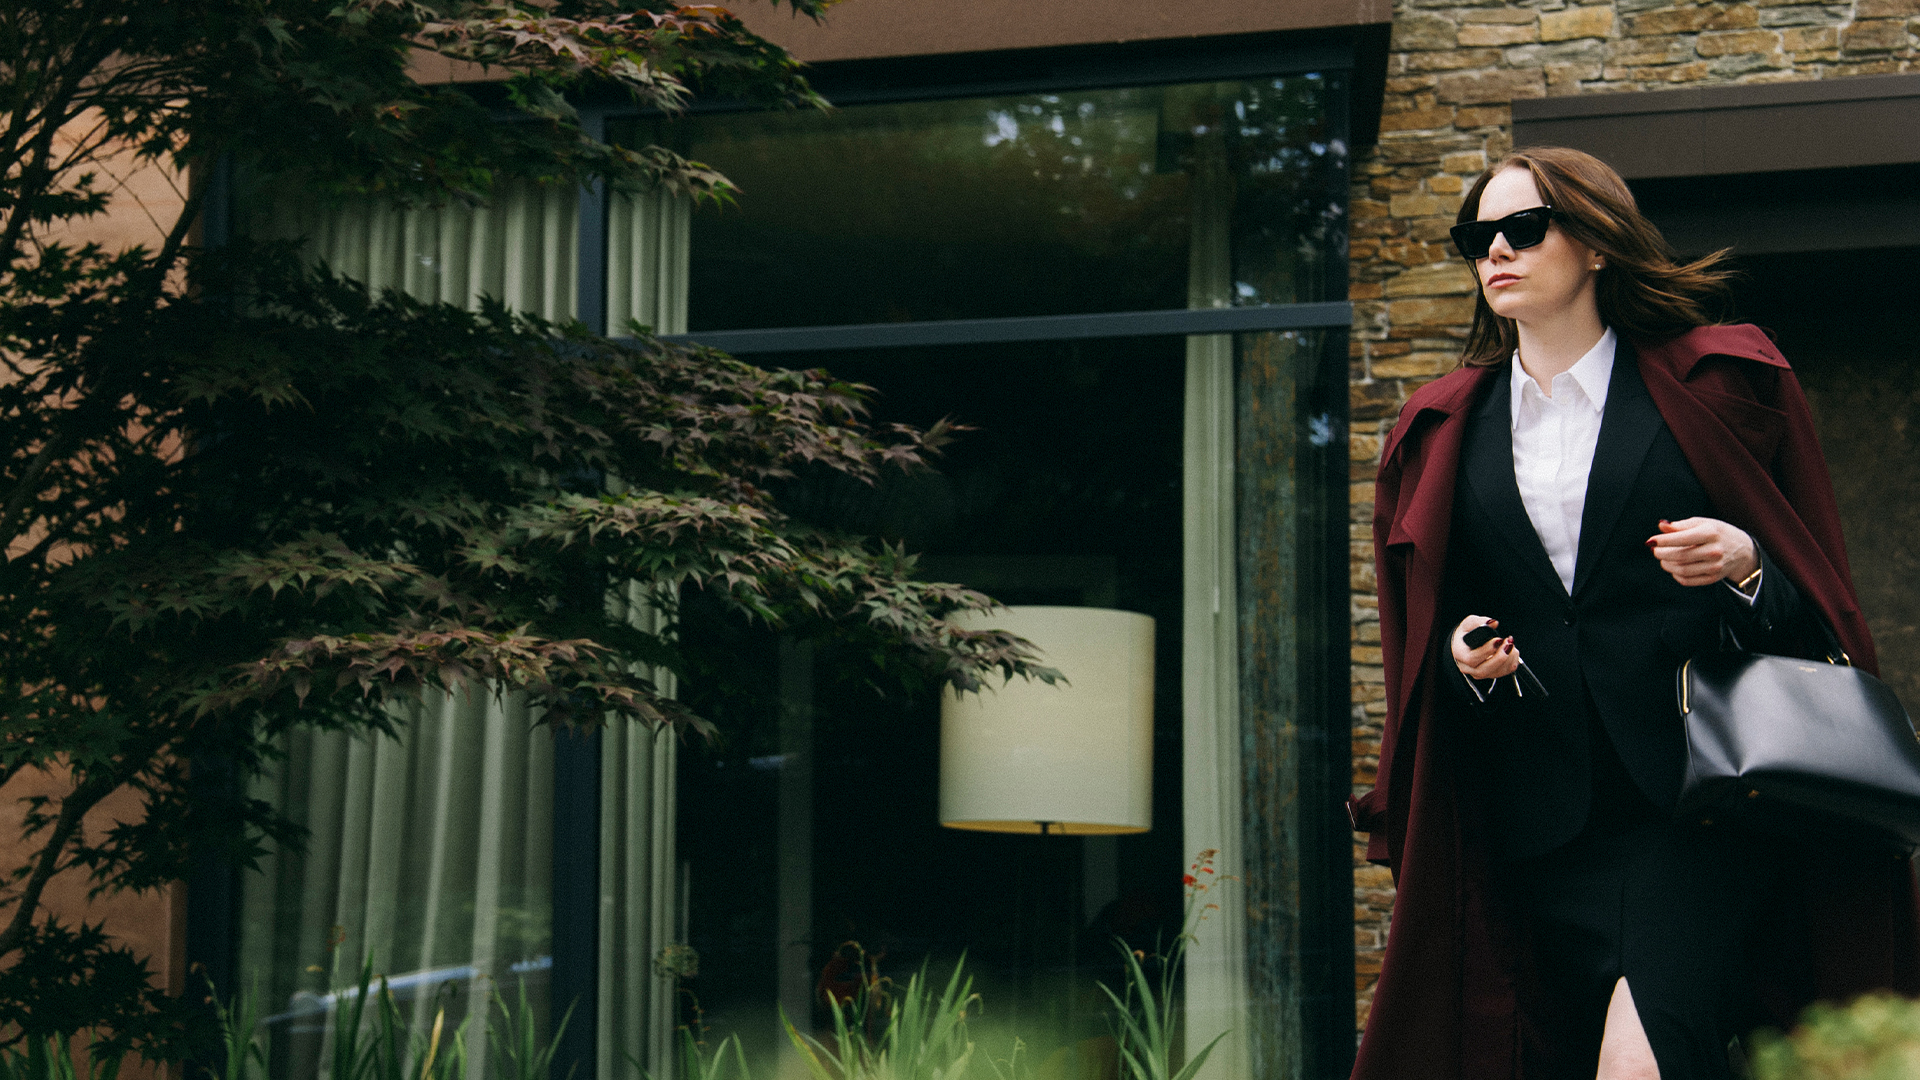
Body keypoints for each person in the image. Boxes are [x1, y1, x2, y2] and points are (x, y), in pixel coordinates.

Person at [1346, 146, 1920, 1080]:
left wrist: (1743, 566)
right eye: (1477, 236)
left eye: (1524, 228)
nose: (1496, 249)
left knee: (1638, 1062)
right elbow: (1438, 627)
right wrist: (1464, 654)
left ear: (1598, 243)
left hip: (1703, 801)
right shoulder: (1443, 430)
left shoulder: (1720, 386)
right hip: (1543, 822)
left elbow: (1816, 602)